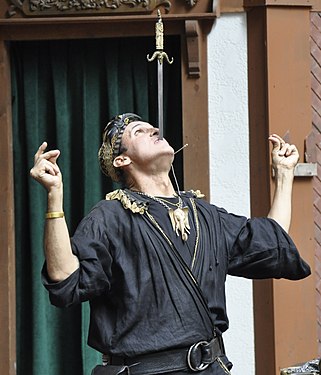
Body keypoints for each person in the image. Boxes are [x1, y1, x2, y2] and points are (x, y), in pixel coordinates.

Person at [30, 113, 311, 375]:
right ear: (121, 161)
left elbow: (271, 240)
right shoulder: (110, 217)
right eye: (139, 131)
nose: (154, 129)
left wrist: (284, 174)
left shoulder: (206, 216)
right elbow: (65, 279)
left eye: (152, 127)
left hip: (210, 368)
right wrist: (54, 195)